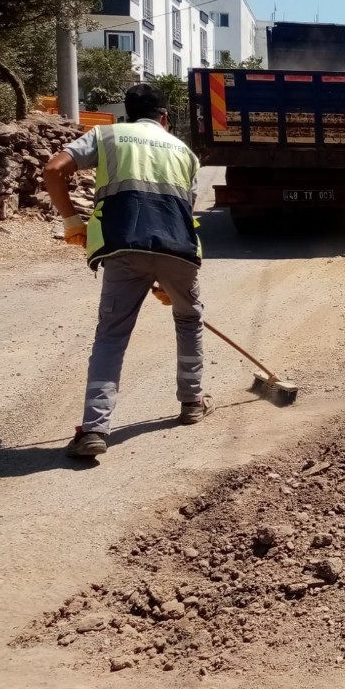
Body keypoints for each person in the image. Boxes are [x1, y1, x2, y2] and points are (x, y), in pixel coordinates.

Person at [42, 83, 212, 459]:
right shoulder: (185, 152)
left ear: (126, 114)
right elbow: (182, 213)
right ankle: (192, 403)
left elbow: (54, 169)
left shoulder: (106, 135)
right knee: (188, 322)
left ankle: (94, 430)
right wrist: (166, 279)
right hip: (179, 251)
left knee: (112, 337)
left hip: (123, 249)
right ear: (165, 118)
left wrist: (72, 222)